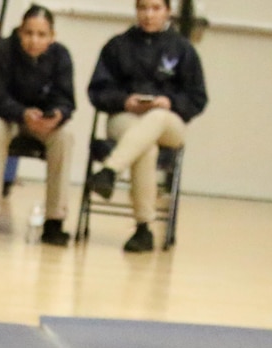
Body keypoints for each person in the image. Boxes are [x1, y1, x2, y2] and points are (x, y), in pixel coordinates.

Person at [85, 0, 206, 253]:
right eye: (143, 8)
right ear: (136, 10)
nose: (148, 14)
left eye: (156, 8)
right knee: (146, 149)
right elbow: (97, 90)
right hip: (126, 118)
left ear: (168, 11)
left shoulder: (183, 49)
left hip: (169, 122)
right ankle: (143, 230)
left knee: (158, 117)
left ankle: (109, 171)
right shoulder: (117, 45)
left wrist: (169, 101)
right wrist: (124, 101)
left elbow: (197, 98)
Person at [0, 6, 76, 245]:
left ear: (52, 36)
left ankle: (55, 221)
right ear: (20, 32)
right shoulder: (2, 50)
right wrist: (22, 113)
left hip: (38, 121)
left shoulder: (61, 56)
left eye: (41, 35)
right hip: (2, 114)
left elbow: (66, 99)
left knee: (64, 136)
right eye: (29, 33)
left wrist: (55, 115)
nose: (34, 40)